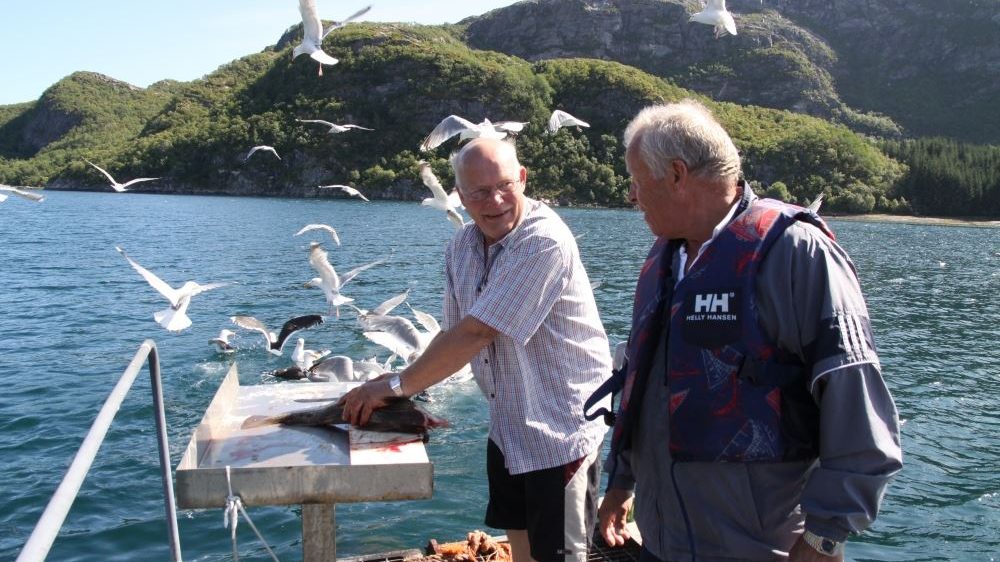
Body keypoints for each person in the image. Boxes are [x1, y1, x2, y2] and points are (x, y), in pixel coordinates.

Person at [595, 100, 903, 562]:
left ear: (677, 175)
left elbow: (856, 401)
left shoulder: (796, 253)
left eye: (639, 183)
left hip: (761, 547)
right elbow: (643, 382)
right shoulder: (663, 260)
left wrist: (825, 535)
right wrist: (621, 479)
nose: (632, 198)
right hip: (663, 544)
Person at [340, 137, 613, 562]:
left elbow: (477, 333)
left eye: (505, 185)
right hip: (509, 429)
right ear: (461, 196)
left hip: (561, 430)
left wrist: (393, 384)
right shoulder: (461, 248)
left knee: (560, 556)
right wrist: (412, 395)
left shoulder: (543, 241)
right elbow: (453, 336)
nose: (496, 200)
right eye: (480, 192)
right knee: (520, 545)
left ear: (522, 178)